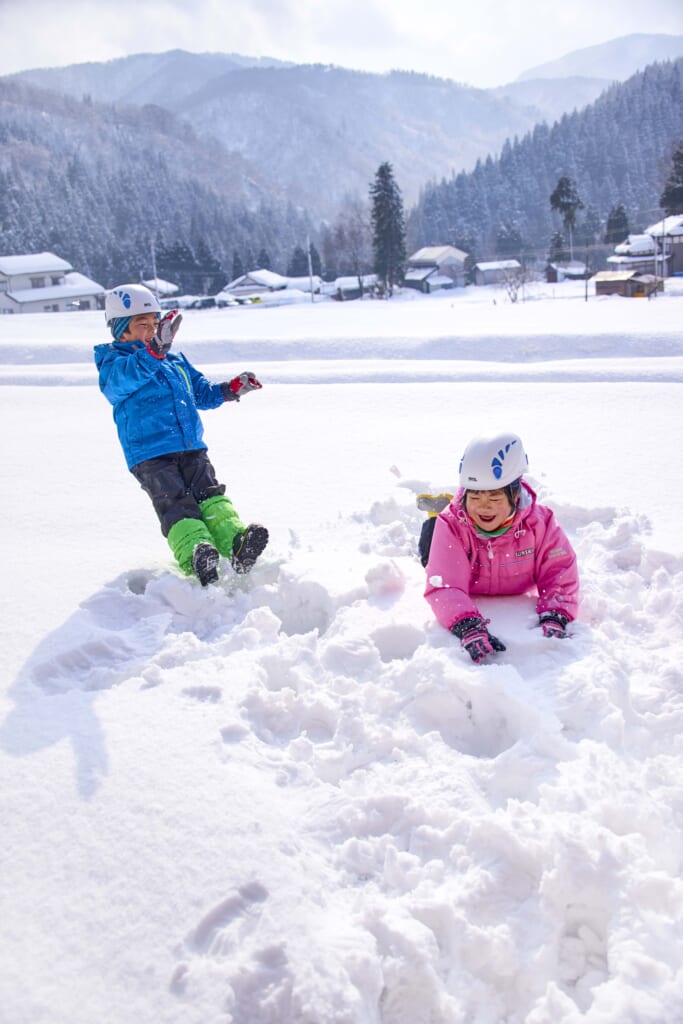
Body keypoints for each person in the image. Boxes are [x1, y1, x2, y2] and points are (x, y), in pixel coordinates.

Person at [94, 283, 268, 587]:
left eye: (154, 323)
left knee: (211, 496)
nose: (151, 330)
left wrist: (230, 389)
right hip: (150, 453)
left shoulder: (174, 360)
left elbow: (200, 393)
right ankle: (197, 553)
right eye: (141, 325)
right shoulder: (114, 364)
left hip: (190, 446)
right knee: (176, 504)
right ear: (121, 331)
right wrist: (153, 354)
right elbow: (118, 387)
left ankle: (235, 545)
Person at [422, 432, 579, 663]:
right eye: (474, 497)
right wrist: (467, 624)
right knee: (430, 553)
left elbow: (559, 570)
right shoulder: (453, 525)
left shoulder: (540, 523)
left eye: (494, 497)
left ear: (515, 495)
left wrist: (555, 613)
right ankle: (435, 513)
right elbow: (444, 584)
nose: (484, 507)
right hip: (453, 546)